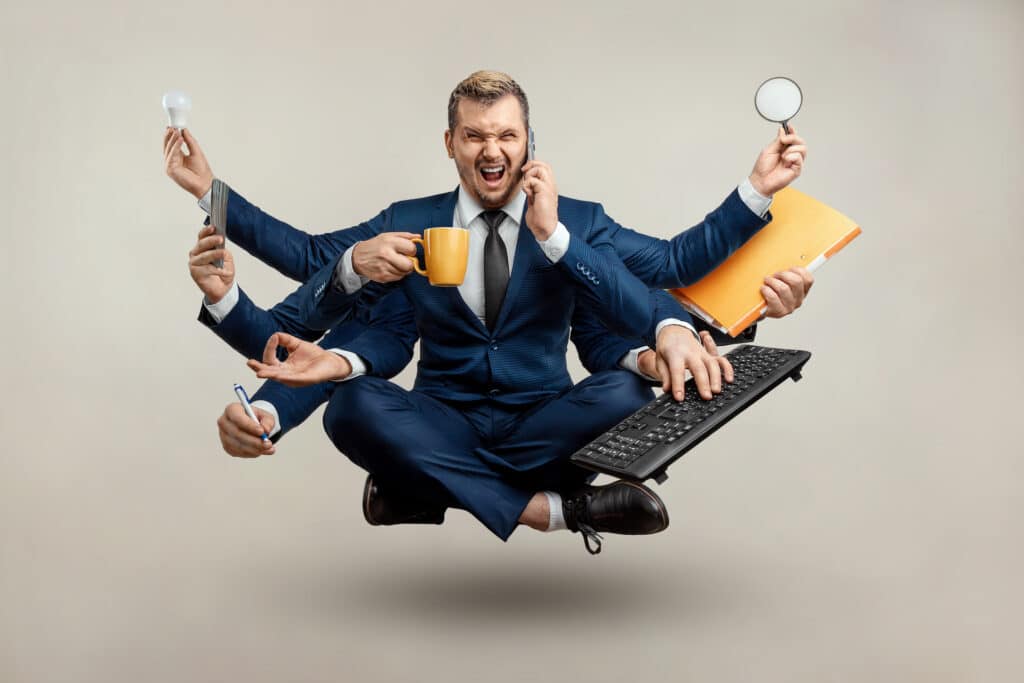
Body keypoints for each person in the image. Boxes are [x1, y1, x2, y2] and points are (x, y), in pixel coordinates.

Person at [165, 71, 812, 553]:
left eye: (506, 133)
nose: (490, 148)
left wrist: (755, 191)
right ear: (451, 142)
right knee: (354, 404)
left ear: (530, 141)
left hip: (547, 423)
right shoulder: (408, 223)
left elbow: (674, 263)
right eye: (474, 135)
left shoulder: (577, 220)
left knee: (627, 390)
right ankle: (547, 509)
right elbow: (308, 254)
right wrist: (208, 191)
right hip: (443, 421)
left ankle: (423, 488)